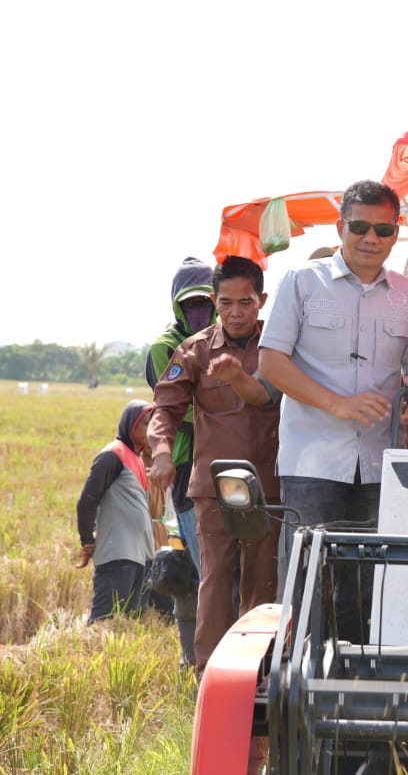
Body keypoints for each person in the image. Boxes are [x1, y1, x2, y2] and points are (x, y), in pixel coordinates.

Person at [259, 179, 408, 643]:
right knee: (307, 579)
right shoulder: (301, 282)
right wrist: (337, 404)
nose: (370, 239)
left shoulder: (407, 295)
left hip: (379, 463)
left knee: (365, 584)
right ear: (340, 228)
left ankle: (355, 675)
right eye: (359, 227)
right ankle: (300, 674)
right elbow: (271, 362)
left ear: (396, 233)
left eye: (383, 229)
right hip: (312, 461)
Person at [148, 256, 281, 676]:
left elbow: (279, 395)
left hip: (268, 485)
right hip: (214, 486)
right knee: (216, 578)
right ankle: (209, 675)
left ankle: (257, 673)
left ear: (261, 300)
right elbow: (165, 408)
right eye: (226, 303)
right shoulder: (195, 349)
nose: (235, 313)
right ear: (214, 300)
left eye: (245, 303)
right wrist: (161, 452)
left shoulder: (278, 345)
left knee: (262, 581)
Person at [144, 256, 215, 668]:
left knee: (227, 566)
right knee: (200, 567)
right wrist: (224, 412)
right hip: (186, 465)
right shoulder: (165, 347)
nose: (198, 312)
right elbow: (172, 407)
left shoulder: (227, 337)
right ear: (177, 305)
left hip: (230, 461)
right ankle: (198, 661)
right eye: (190, 305)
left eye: (205, 303)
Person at [75, 400, 158, 622]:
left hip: (138, 556)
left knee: (128, 624)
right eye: (146, 424)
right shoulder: (112, 455)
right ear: (131, 425)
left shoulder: (137, 458)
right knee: (105, 622)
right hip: (118, 555)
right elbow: (87, 501)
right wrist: (87, 540)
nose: (152, 430)